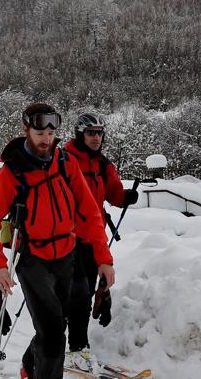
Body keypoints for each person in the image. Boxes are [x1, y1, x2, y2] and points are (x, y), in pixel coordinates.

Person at [0, 103, 115, 379]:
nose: (46, 139)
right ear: (26, 129)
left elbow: (90, 213)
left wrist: (103, 258)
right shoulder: (14, 172)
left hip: (67, 254)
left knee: (56, 325)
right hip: (33, 260)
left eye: (51, 133)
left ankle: (30, 367)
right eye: (40, 133)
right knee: (53, 337)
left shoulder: (66, 163)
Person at [62, 112, 138, 364]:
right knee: (76, 294)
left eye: (99, 133)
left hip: (92, 238)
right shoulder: (64, 159)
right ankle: (71, 347)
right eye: (90, 133)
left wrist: (126, 197)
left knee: (82, 295)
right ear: (79, 134)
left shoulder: (103, 164)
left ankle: (75, 347)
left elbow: (113, 193)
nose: (96, 138)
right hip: (65, 238)